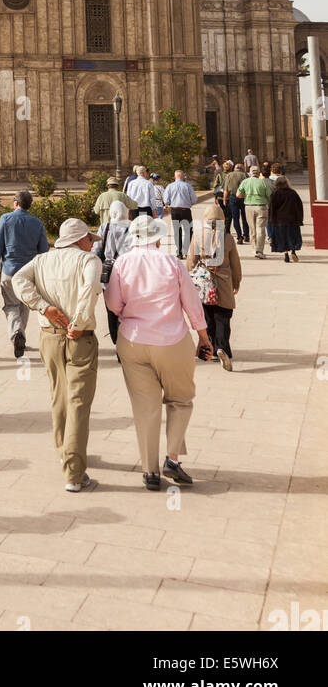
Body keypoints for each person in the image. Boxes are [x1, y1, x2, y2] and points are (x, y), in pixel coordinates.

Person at [105, 214, 212, 490]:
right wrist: (203, 336)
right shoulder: (172, 263)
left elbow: (113, 304)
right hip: (172, 340)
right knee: (180, 399)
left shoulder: (122, 263)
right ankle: (172, 458)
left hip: (133, 340)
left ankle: (149, 470)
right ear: (156, 236)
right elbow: (191, 303)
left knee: (145, 408)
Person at [13, 217, 102, 493]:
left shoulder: (42, 261)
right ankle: (74, 473)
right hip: (79, 338)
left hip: (49, 336)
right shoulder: (89, 261)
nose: (92, 243)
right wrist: (78, 321)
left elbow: (18, 279)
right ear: (80, 239)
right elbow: (88, 290)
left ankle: (65, 452)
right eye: (90, 238)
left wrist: (42, 307)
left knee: (58, 396)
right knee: (78, 401)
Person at [0, 190, 49, 358]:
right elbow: (44, 250)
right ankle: (20, 334)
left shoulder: (6, 219)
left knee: (11, 305)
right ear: (29, 205)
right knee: (25, 304)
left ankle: (17, 333)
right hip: (29, 272)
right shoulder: (37, 223)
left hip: (9, 271)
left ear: (15, 203)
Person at [187, 205, 242, 370]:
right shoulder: (228, 238)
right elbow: (235, 265)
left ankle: (209, 349)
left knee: (207, 317)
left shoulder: (197, 236)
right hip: (223, 282)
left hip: (204, 283)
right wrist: (237, 282)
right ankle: (222, 348)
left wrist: (190, 281)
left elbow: (191, 261)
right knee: (223, 317)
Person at [93, 199, 133, 347]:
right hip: (127, 274)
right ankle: (127, 342)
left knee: (111, 310)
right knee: (126, 308)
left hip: (108, 274)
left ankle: (117, 343)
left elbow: (95, 249)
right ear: (125, 212)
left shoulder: (105, 227)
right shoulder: (132, 227)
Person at [162, 169, 197, 260]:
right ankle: (186, 250)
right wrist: (189, 203)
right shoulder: (187, 186)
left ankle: (179, 252)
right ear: (183, 177)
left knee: (177, 231)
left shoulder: (170, 186)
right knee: (188, 231)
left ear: (175, 177)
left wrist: (170, 203)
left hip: (175, 211)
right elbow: (194, 199)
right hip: (186, 210)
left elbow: (165, 200)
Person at [238, 165, 272, 259]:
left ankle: (254, 249)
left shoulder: (245, 182)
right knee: (260, 229)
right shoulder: (262, 182)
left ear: (250, 173)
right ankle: (259, 250)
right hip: (261, 207)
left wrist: (246, 196)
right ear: (258, 173)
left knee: (252, 229)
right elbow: (269, 195)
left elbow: (238, 194)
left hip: (248, 206)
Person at [268, 175, 304, 263]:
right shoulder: (293, 193)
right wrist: (300, 219)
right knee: (292, 236)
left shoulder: (275, 194)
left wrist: (271, 220)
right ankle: (293, 251)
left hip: (279, 220)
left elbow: (272, 208)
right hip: (292, 219)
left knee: (282, 238)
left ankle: (286, 255)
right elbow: (299, 206)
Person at [222, 161, 249, 244]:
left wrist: (224, 199)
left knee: (235, 218)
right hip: (244, 198)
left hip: (233, 197)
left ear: (234, 169)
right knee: (245, 217)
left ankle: (239, 237)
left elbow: (226, 190)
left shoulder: (229, 175)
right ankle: (246, 235)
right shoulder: (245, 175)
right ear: (241, 169)